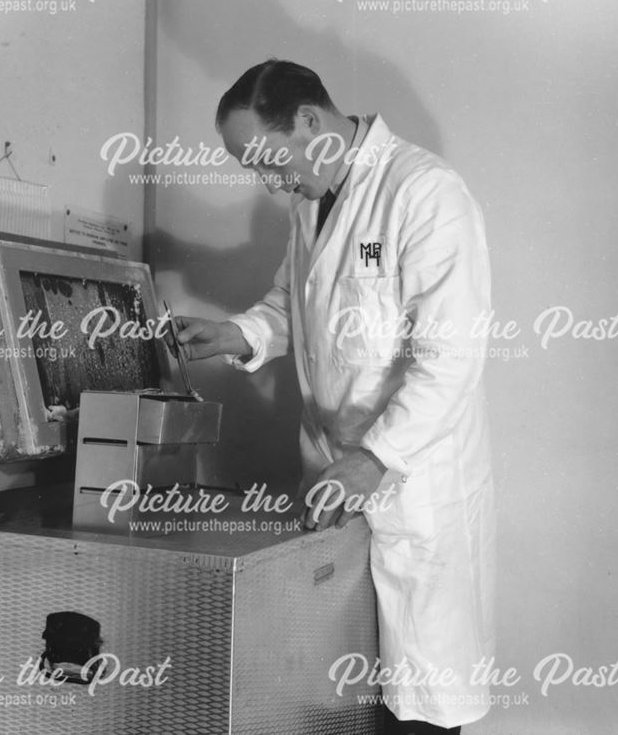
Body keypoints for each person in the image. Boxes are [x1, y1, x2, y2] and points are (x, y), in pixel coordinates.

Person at [175, 59, 495, 734]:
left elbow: (450, 360)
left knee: (417, 711)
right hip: (333, 486)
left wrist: (376, 458)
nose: (266, 183)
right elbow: (292, 307)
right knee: (339, 704)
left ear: (311, 122)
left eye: (265, 160)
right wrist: (233, 334)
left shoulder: (425, 193)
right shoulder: (310, 203)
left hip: (410, 494)